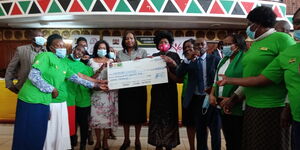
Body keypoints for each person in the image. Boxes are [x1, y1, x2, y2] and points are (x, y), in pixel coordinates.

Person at [218, 8, 300, 150]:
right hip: (252, 106)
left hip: (273, 107)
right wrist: (235, 97)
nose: (248, 27)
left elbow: (290, 75)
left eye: (249, 23)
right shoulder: (255, 43)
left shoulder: (282, 39)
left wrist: (287, 106)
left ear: (258, 23)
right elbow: (252, 77)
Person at [11, 34, 107, 150]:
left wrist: (95, 85)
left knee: (38, 136)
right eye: (59, 45)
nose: (62, 48)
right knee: (27, 134)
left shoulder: (62, 63)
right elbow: (34, 76)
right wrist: (51, 88)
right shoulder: (45, 56)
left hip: (45, 101)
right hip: (30, 100)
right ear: (51, 48)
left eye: (63, 45)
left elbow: (77, 78)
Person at [177, 38, 221, 150]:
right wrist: (187, 60)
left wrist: (215, 93)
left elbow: (220, 77)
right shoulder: (190, 61)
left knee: (215, 130)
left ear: (206, 46)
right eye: (197, 45)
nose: (200, 46)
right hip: (197, 100)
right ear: (194, 47)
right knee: (200, 130)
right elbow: (179, 73)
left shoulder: (215, 59)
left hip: (212, 98)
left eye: (202, 44)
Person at [209, 34, 247, 150]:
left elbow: (246, 82)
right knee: (229, 139)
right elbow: (216, 80)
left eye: (228, 44)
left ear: (238, 45)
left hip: (237, 106)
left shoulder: (245, 59)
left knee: (238, 141)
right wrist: (211, 95)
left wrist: (231, 99)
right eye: (223, 44)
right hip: (221, 105)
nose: (224, 47)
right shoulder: (223, 60)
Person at [148, 31, 180, 150]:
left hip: (170, 92)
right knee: (157, 118)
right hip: (157, 92)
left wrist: (171, 63)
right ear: (157, 44)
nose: (163, 44)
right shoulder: (155, 56)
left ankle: (169, 144)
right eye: (160, 42)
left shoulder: (174, 55)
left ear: (170, 44)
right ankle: (158, 143)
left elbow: (179, 72)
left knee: (170, 118)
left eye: (165, 42)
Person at [116, 31, 147, 150]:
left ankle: (137, 140)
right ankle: (126, 139)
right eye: (127, 39)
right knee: (125, 116)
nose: (129, 40)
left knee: (138, 115)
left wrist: (142, 63)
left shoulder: (142, 52)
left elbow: (146, 69)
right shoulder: (119, 54)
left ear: (135, 40)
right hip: (124, 89)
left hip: (139, 88)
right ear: (124, 41)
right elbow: (117, 70)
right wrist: (116, 65)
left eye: (131, 38)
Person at [61, 45, 95, 150]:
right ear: (73, 49)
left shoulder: (85, 67)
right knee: (70, 124)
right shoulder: (63, 62)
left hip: (83, 98)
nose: (78, 52)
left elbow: (91, 79)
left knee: (84, 124)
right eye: (77, 49)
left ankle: (83, 145)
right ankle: (70, 143)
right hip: (68, 98)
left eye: (82, 52)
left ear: (84, 55)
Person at [89, 40, 118, 150]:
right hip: (96, 94)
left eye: (104, 48)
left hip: (108, 94)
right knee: (96, 120)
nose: (102, 50)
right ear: (96, 49)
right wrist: (100, 69)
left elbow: (115, 77)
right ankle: (98, 141)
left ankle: (105, 141)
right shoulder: (91, 61)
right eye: (100, 48)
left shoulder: (111, 60)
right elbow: (90, 78)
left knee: (106, 121)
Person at [5, 30, 46, 94]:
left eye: (42, 36)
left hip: (43, 88)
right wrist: (9, 85)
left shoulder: (48, 51)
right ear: (32, 38)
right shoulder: (21, 50)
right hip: (24, 87)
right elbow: (11, 68)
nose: (41, 38)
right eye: (39, 36)